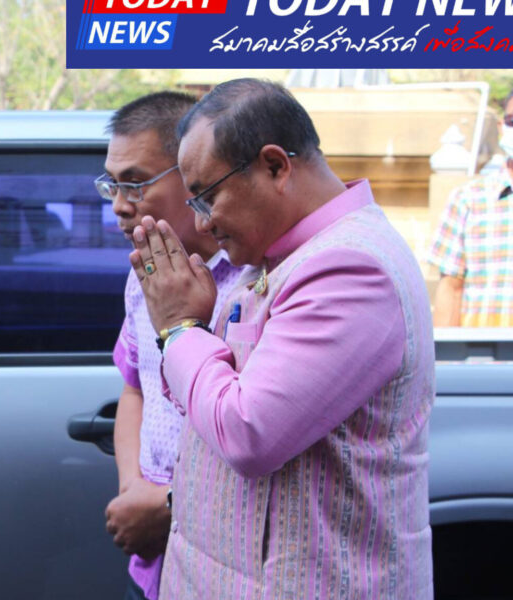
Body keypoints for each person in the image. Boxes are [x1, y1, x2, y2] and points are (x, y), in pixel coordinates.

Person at [130, 79, 434, 598]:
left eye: (207, 195)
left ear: (274, 165)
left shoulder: (350, 267)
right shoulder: (278, 257)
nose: (201, 222)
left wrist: (180, 328)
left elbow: (247, 431)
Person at [96, 92, 244, 600]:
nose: (120, 204)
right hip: (152, 563)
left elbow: (254, 431)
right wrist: (133, 490)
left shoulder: (249, 280)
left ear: (193, 174)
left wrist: (169, 506)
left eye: (135, 184)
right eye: (112, 185)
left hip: (218, 555)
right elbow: (134, 389)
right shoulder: (145, 274)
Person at [428, 89, 513, 327]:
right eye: (512, 121)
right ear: (501, 127)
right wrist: (445, 349)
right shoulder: (469, 200)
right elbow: (451, 288)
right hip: (485, 348)